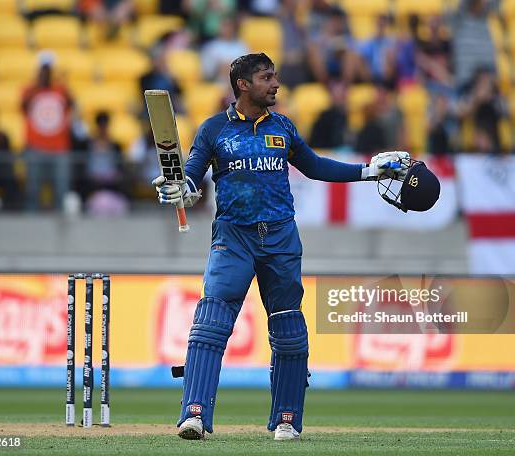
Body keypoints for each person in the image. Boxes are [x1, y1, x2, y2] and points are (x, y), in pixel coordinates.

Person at [152, 53, 410, 441]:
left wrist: (369, 172)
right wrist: (180, 191)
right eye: (266, 77)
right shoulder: (213, 129)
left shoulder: (283, 127)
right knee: (210, 325)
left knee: (289, 329)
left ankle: (286, 419)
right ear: (243, 84)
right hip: (233, 238)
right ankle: (195, 415)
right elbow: (190, 178)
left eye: (274, 77)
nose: (275, 84)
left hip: (281, 238)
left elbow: (316, 166)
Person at [21, 51, 74, 211]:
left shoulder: (61, 90)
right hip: (35, 146)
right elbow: (23, 106)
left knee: (61, 189)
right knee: (33, 189)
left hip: (59, 148)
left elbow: (72, 105)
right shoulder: (29, 90)